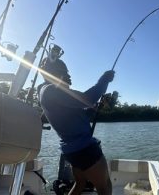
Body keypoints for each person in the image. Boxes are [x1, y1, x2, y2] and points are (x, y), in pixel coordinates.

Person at [38, 57, 114, 195]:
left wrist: (95, 109)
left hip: (71, 150)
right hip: (84, 149)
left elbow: (77, 115)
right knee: (105, 187)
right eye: (65, 74)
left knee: (80, 183)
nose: (68, 79)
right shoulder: (50, 91)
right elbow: (87, 98)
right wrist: (104, 79)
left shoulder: (46, 92)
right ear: (57, 74)